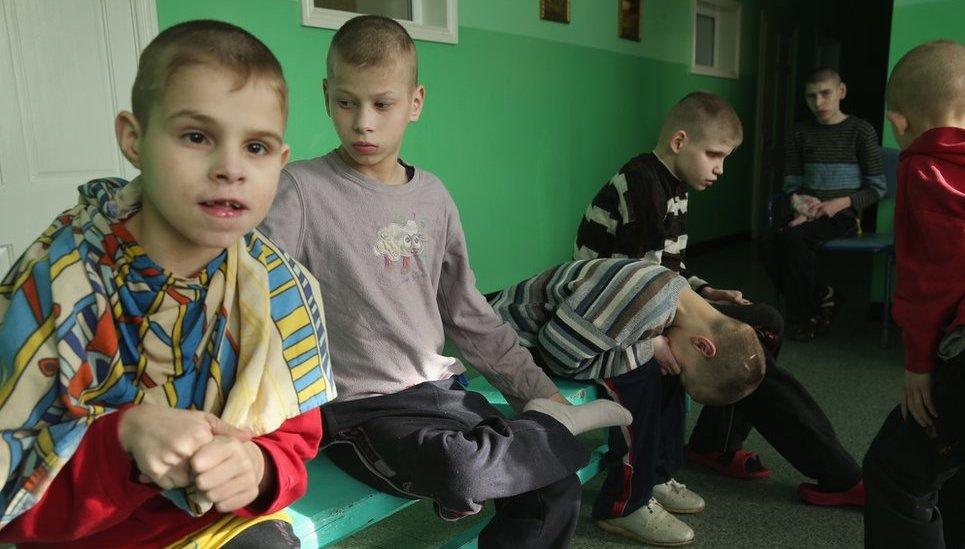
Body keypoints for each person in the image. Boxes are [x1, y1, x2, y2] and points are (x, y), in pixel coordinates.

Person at [259, 16, 631, 548]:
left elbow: (469, 314)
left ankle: (549, 424)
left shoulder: (433, 198)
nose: (364, 123)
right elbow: (258, 302)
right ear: (326, 95)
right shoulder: (297, 191)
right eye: (347, 102)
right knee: (465, 472)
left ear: (415, 102)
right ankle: (550, 431)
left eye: (382, 104)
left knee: (555, 490)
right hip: (361, 409)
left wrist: (541, 393)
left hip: (441, 393)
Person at [0, 20, 336, 547]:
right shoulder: (58, 283)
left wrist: (257, 464)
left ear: (281, 162)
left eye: (257, 147)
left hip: (220, 528)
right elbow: (13, 496)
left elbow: (295, 445)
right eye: (196, 136)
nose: (230, 168)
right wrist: (124, 438)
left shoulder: (279, 289)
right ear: (133, 139)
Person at [574, 92, 865, 541]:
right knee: (661, 368)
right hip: (612, 315)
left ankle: (668, 468)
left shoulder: (674, 186)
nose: (719, 169)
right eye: (714, 155)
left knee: (762, 320)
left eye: (725, 158)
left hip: (651, 301)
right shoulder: (641, 182)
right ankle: (626, 500)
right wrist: (655, 340)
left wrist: (706, 291)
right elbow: (631, 281)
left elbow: (667, 269)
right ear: (679, 141)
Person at [489, 258, 765, 546]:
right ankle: (625, 505)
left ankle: (655, 475)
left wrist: (651, 347)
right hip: (519, 340)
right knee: (638, 372)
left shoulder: (677, 296)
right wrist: (645, 348)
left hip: (573, 339)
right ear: (702, 345)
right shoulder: (640, 303)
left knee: (666, 364)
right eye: (689, 373)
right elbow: (557, 354)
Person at [862, 39, 965, 549]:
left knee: (894, 473)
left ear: (898, 122)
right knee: (964, 475)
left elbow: (931, 280)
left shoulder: (923, 167)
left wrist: (919, 366)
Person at [761, 68, 887, 342]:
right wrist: (802, 207)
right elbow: (791, 184)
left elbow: (877, 188)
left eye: (825, 94)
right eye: (811, 96)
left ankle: (805, 317)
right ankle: (823, 294)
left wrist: (838, 204)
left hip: (844, 216)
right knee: (768, 241)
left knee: (793, 240)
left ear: (841, 91)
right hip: (807, 211)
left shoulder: (861, 131)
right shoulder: (800, 132)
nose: (818, 103)